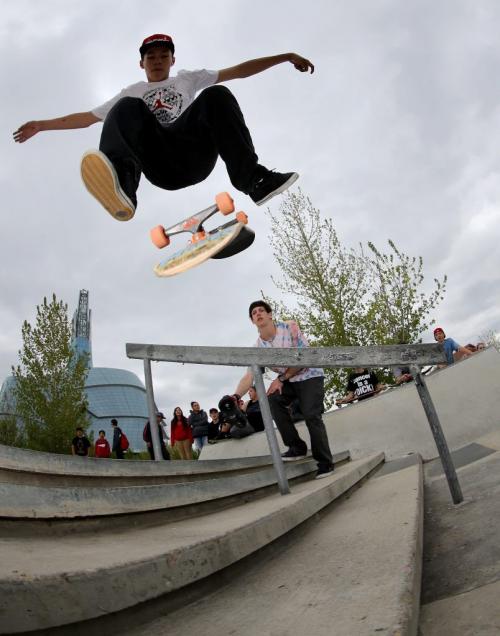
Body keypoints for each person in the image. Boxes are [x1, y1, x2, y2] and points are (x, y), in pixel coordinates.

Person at [13, 34, 314, 221]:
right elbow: (88, 118)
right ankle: (123, 187)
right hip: (160, 164)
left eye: (163, 56)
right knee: (125, 108)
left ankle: (254, 180)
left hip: (193, 152)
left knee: (217, 95)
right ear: (141, 63)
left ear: (172, 60)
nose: (157, 61)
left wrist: (284, 57)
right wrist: (42, 125)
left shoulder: (187, 79)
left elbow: (238, 71)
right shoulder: (133, 90)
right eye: (151, 57)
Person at [234, 301, 334, 480]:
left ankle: (325, 463)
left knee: (311, 415)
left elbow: (303, 357)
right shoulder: (257, 348)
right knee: (272, 399)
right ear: (252, 321)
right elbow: (249, 376)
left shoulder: (289, 327)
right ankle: (296, 446)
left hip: (309, 374)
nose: (258, 314)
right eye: (254, 313)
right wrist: (235, 396)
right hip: (288, 380)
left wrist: (281, 379)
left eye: (261, 311)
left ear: (270, 314)